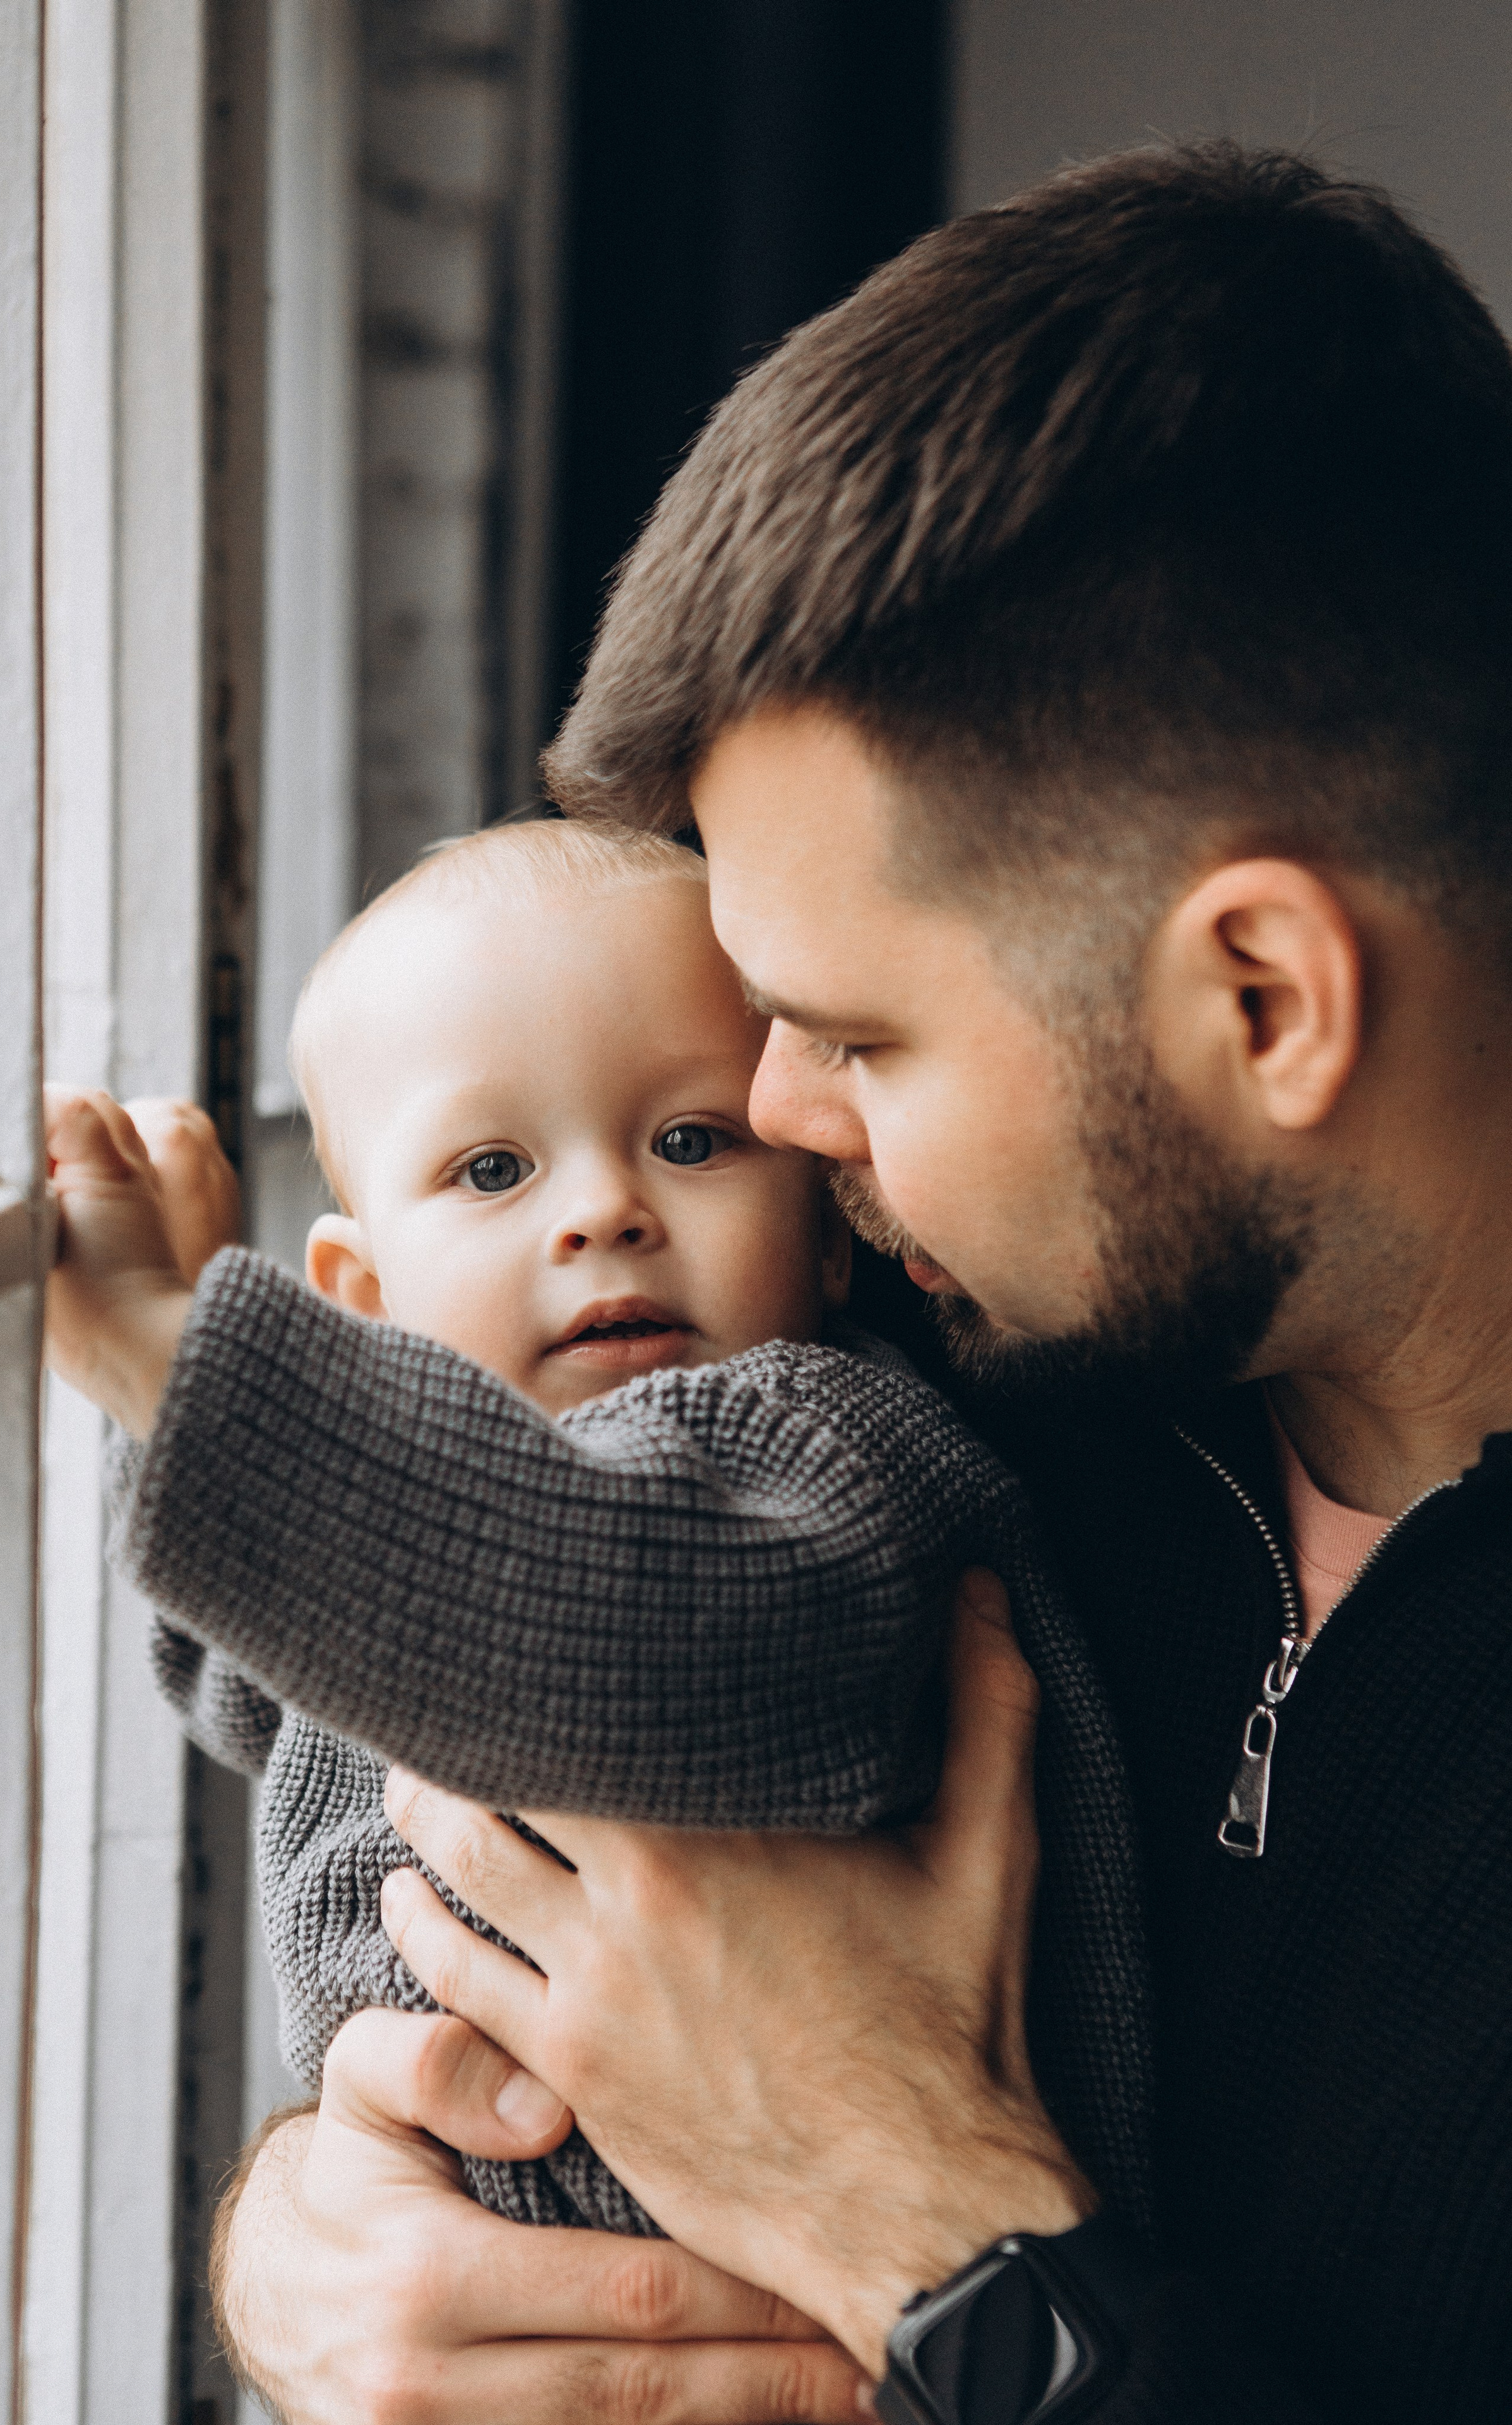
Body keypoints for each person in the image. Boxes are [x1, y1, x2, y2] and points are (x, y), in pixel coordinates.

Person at [165, 139, 1512, 2419]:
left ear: (1266, 1000)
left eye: (862, 1035)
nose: (773, 1118)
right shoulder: (899, 1385)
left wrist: (922, 2227)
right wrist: (308, 2236)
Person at [44, 817, 1149, 2243]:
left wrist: (171, 1355)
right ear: (361, 1294)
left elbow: (632, 1632)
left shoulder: (829, 1449)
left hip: (862, 2317)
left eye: (689, 1142)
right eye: (493, 1172)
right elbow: (243, 1683)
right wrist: (182, 1393)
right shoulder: (395, 1513)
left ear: (824, 1233)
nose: (605, 1210)